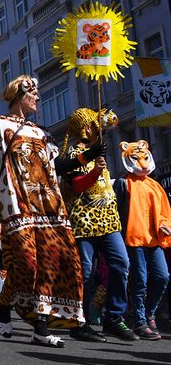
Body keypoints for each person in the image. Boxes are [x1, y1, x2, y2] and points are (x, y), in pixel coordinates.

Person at [0, 75, 104, 348]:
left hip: (50, 207)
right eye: (34, 94)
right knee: (26, 264)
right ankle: (3, 305)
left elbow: (58, 167)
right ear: (20, 96)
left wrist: (88, 155)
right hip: (17, 204)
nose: (38, 99)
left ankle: (40, 326)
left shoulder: (43, 133)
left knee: (51, 263)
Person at [60, 109, 136, 343]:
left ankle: (113, 317)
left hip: (108, 222)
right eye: (92, 125)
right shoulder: (74, 153)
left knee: (121, 264)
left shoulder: (100, 149)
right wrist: (95, 171)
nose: (95, 128)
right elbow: (78, 185)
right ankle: (78, 322)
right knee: (84, 272)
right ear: (84, 128)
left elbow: (111, 119)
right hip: (84, 222)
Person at [113, 140, 171, 340]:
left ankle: (149, 312)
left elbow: (165, 210)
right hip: (133, 239)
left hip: (154, 239)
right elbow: (115, 212)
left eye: (145, 158)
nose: (143, 163)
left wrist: (165, 225)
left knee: (163, 277)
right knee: (140, 281)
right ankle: (139, 321)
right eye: (138, 159)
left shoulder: (155, 185)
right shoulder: (123, 183)